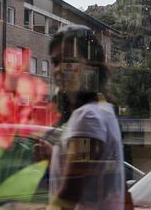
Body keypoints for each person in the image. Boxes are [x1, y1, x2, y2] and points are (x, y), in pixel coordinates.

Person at [36, 24, 124, 210]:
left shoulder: (88, 118)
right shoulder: (100, 111)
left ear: (91, 65)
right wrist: (56, 158)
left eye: (69, 61)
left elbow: (70, 194)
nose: (60, 69)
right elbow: (87, 175)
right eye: (55, 62)